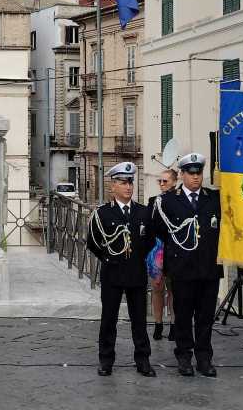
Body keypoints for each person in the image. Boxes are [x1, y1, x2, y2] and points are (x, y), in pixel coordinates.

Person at [153, 153, 223, 377]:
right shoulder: (168, 201)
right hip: (182, 269)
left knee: (205, 317)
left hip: (208, 268)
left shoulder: (214, 199)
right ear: (182, 175)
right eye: (191, 173)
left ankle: (204, 358)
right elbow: (160, 232)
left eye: (199, 173)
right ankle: (184, 357)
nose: (196, 177)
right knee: (182, 316)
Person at [86, 162, 156, 377]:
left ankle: (143, 360)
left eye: (130, 182)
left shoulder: (143, 212)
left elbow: (149, 240)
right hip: (113, 273)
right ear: (113, 186)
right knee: (109, 319)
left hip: (136, 272)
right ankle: (106, 360)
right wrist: (109, 258)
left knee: (139, 320)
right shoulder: (103, 214)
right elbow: (93, 242)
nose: (128, 187)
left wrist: (136, 257)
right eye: (123, 183)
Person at [147, 168, 177, 341]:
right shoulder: (153, 201)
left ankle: (174, 324)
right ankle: (158, 324)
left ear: (174, 181)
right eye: (160, 181)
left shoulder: (180, 200)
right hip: (157, 248)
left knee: (173, 289)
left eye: (165, 181)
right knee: (157, 288)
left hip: (173, 247)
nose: (162, 184)